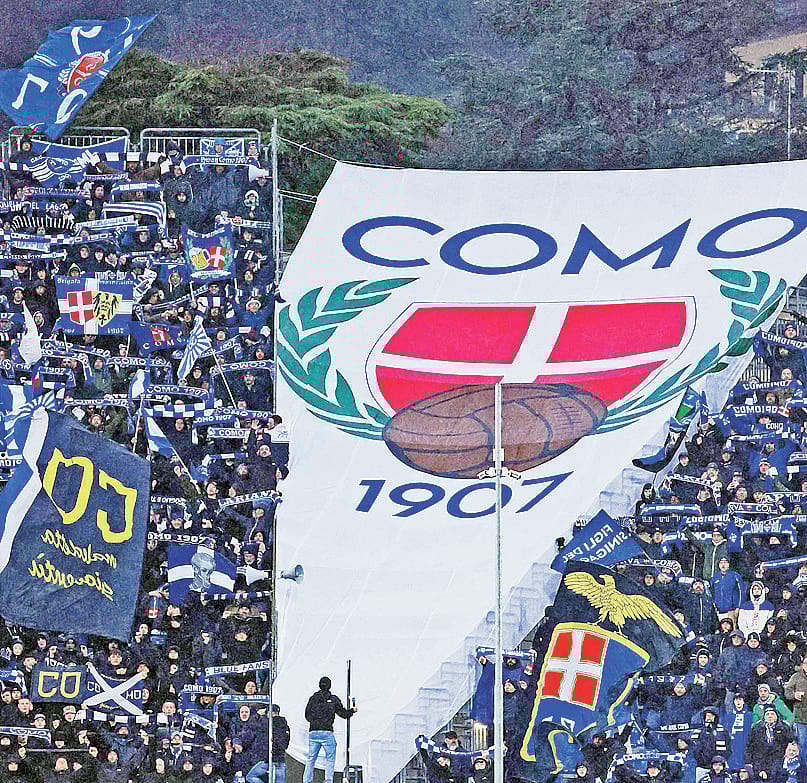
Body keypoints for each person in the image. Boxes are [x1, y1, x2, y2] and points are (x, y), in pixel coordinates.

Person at [302, 676, 358, 783]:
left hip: (314, 731)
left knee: (311, 759)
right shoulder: (333, 699)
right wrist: (352, 710)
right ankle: (328, 780)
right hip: (327, 732)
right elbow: (343, 714)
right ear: (329, 686)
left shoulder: (313, 698)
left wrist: (315, 721)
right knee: (330, 758)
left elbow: (307, 715)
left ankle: (306, 780)